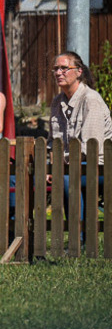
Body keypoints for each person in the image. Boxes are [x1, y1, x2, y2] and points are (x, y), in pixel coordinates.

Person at [48, 51, 109, 228]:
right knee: (20, 176)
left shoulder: (91, 100)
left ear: (79, 71)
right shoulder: (57, 102)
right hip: (69, 165)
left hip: (98, 165)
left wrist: (60, 167)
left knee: (67, 178)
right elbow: (53, 142)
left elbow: (90, 148)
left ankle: (79, 238)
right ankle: (21, 236)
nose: (59, 73)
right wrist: (49, 167)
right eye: (56, 69)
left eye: (64, 68)